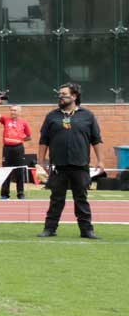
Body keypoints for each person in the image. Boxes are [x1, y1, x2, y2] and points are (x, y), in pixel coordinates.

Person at [37, 83, 103, 240]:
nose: (61, 97)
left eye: (64, 94)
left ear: (74, 96)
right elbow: (43, 141)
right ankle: (50, 228)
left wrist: (100, 161)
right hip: (58, 165)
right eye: (59, 94)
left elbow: (96, 140)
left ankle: (87, 230)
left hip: (80, 165)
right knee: (56, 199)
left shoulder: (88, 116)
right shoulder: (52, 116)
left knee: (81, 199)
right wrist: (40, 162)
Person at [0, 99, 32, 199]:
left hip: (18, 149)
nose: (13, 112)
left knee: (19, 171)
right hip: (7, 149)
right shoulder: (6, 120)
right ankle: (4, 194)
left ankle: (20, 194)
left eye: (15, 110)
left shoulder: (24, 122)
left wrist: (19, 139)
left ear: (19, 112)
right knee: (6, 171)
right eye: (11, 110)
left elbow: (29, 137)